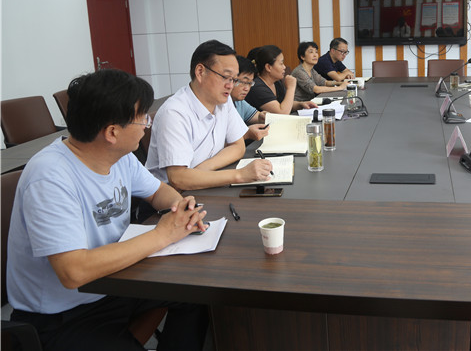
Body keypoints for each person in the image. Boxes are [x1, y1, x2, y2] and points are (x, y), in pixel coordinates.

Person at [6, 69, 209, 351]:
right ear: (112, 132)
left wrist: (181, 207)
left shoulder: (119, 156)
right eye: (143, 118)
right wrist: (163, 234)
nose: (147, 125)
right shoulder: (50, 176)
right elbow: (73, 272)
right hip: (62, 314)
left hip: (114, 285)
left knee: (197, 296)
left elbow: (158, 192)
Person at [146, 40, 272, 191]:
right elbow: (178, 178)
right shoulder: (174, 113)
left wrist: (200, 171)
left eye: (233, 79)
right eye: (225, 77)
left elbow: (238, 146)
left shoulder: (224, 101)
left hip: (201, 186)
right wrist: (240, 175)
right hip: (171, 197)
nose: (230, 86)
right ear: (200, 72)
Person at [245, 45, 318, 114]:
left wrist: (301, 104)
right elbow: (282, 113)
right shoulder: (257, 87)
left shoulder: (276, 82)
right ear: (268, 67)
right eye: (281, 63)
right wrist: (291, 88)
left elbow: (285, 104)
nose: (284, 67)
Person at [232, 55, 270, 142]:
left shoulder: (239, 102)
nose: (247, 88)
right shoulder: (219, 105)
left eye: (250, 83)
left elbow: (257, 116)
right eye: (244, 82)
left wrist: (261, 117)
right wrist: (246, 134)